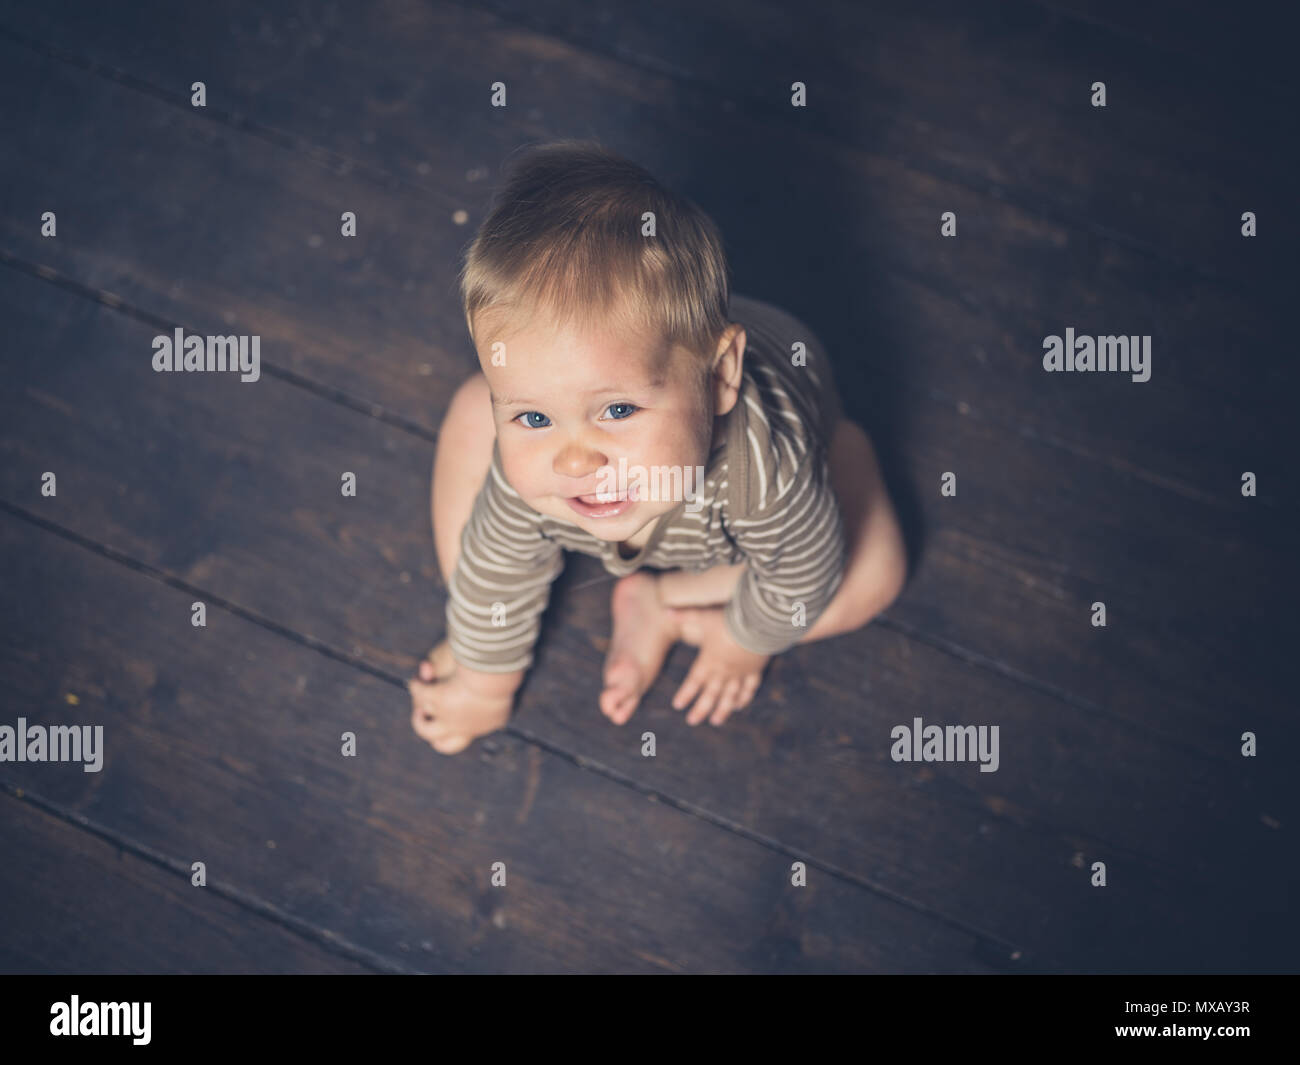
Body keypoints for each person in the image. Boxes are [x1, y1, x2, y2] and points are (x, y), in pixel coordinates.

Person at [409, 140, 906, 754]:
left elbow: (802, 578)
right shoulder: (535, 468)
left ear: (721, 376)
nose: (573, 460)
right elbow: (498, 558)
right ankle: (481, 629)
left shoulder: (771, 471)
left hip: (774, 516)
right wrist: (486, 682)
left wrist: (744, 642)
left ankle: (666, 605)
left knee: (873, 570)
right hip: (692, 513)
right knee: (469, 419)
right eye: (533, 415)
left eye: (617, 410)